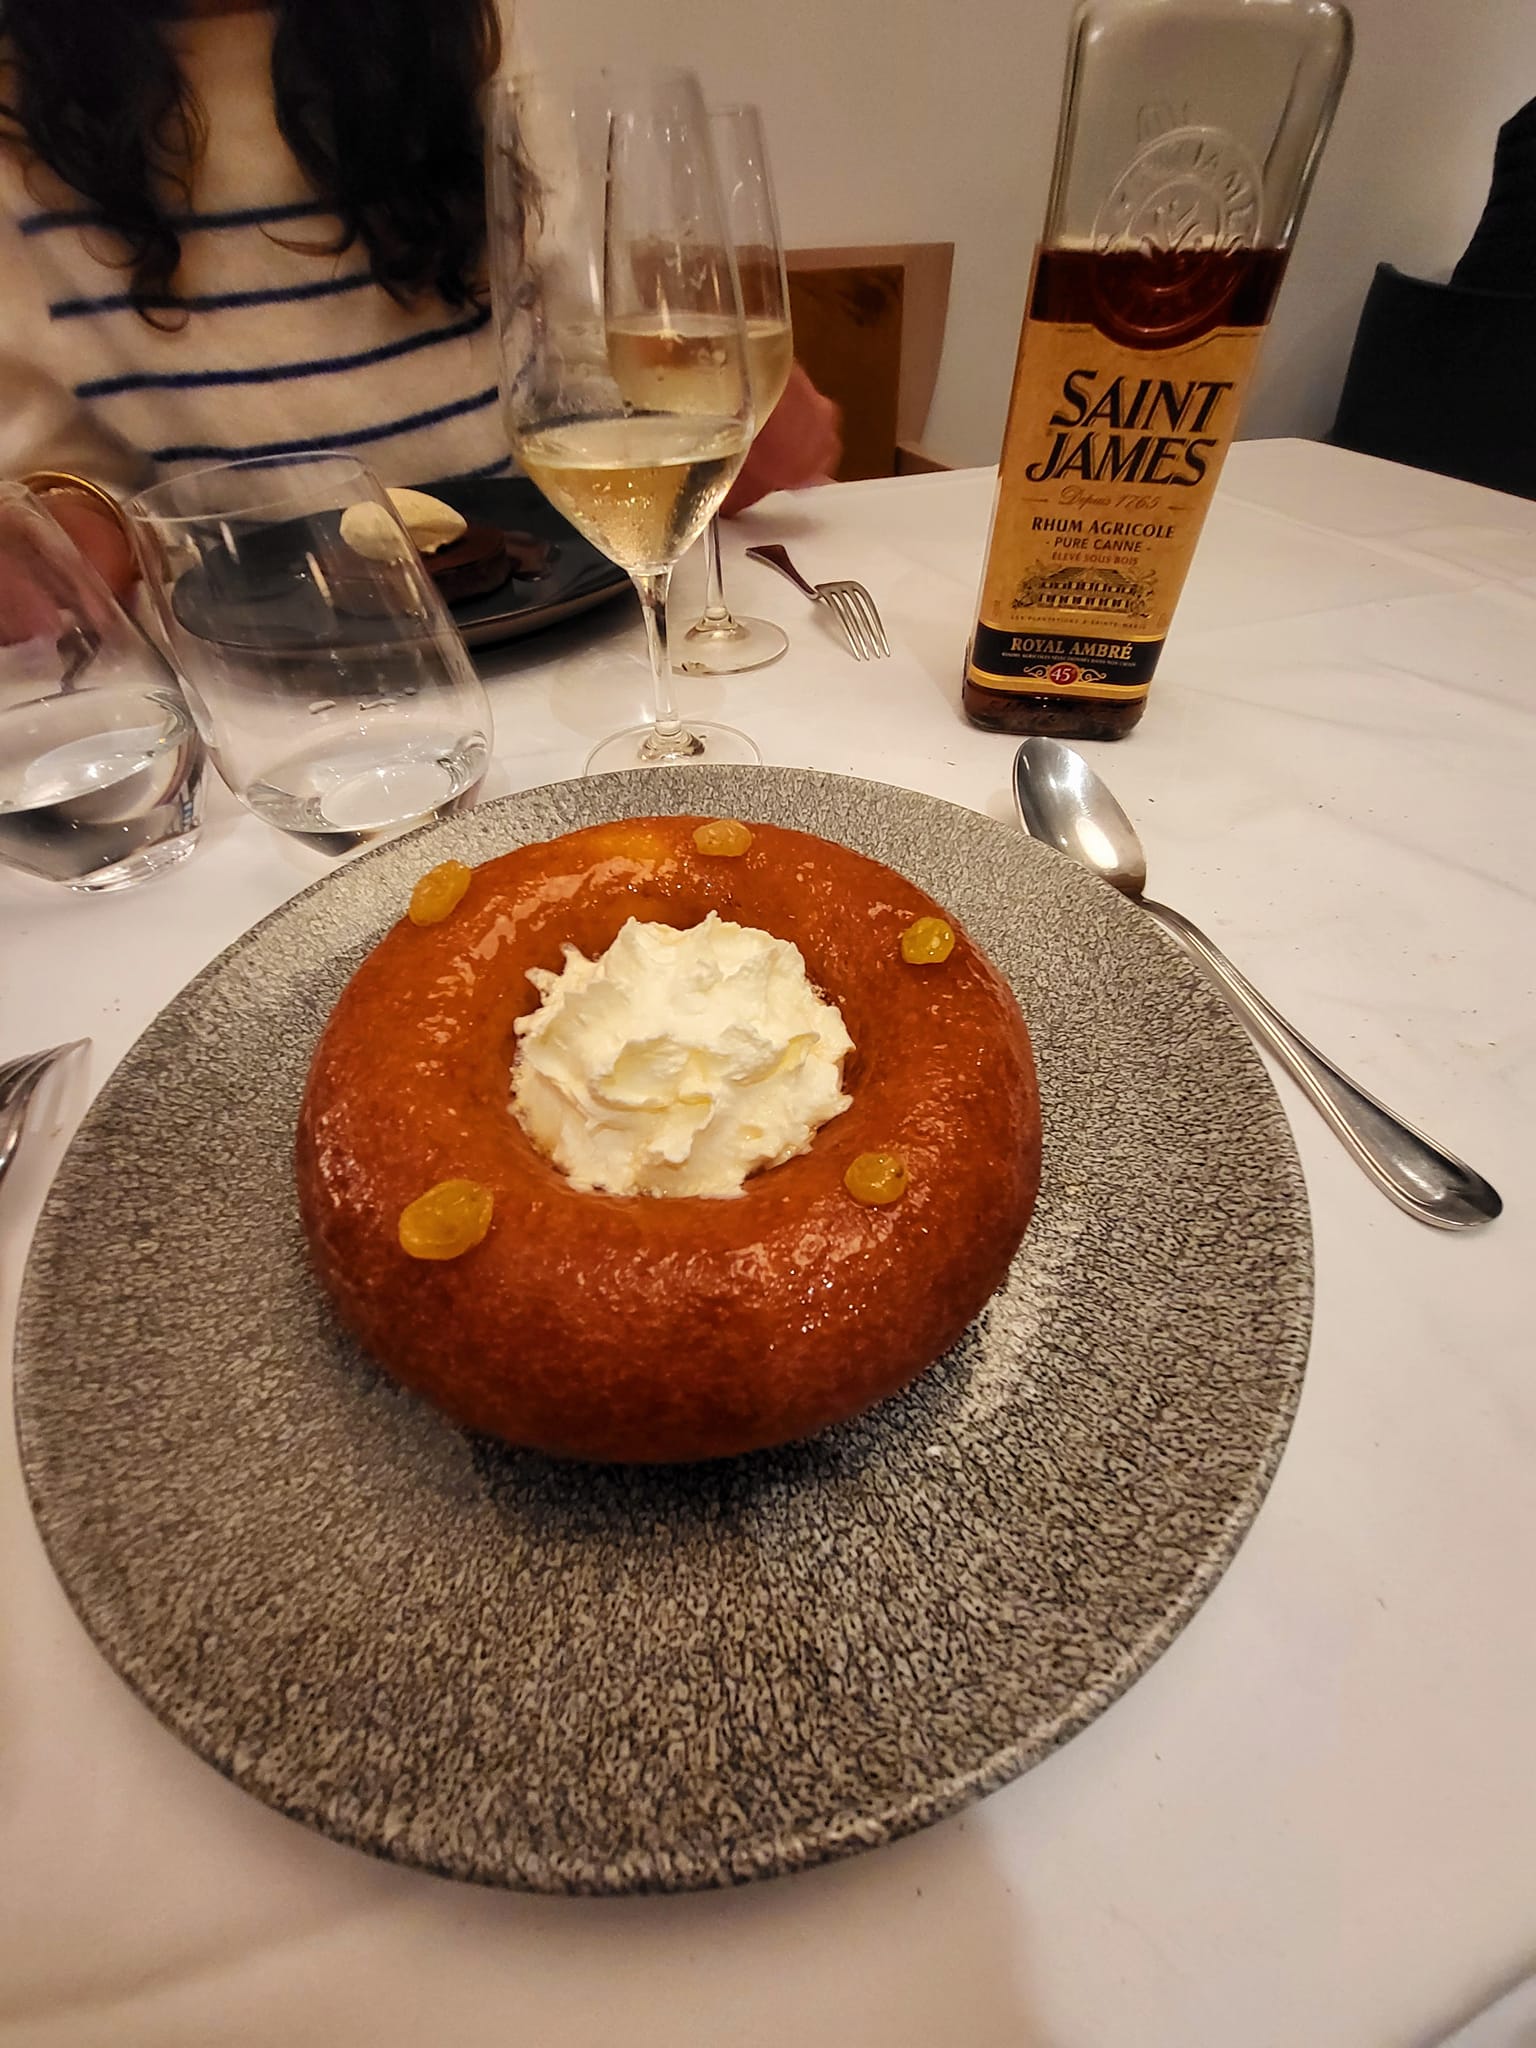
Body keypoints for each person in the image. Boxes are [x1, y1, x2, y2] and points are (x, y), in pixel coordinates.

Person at [0, 0, 839, 590]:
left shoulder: (459, 27)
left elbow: (561, 346)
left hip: (551, 601)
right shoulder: (18, 103)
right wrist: (64, 540)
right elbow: (64, 483)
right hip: (249, 678)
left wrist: (690, 425)